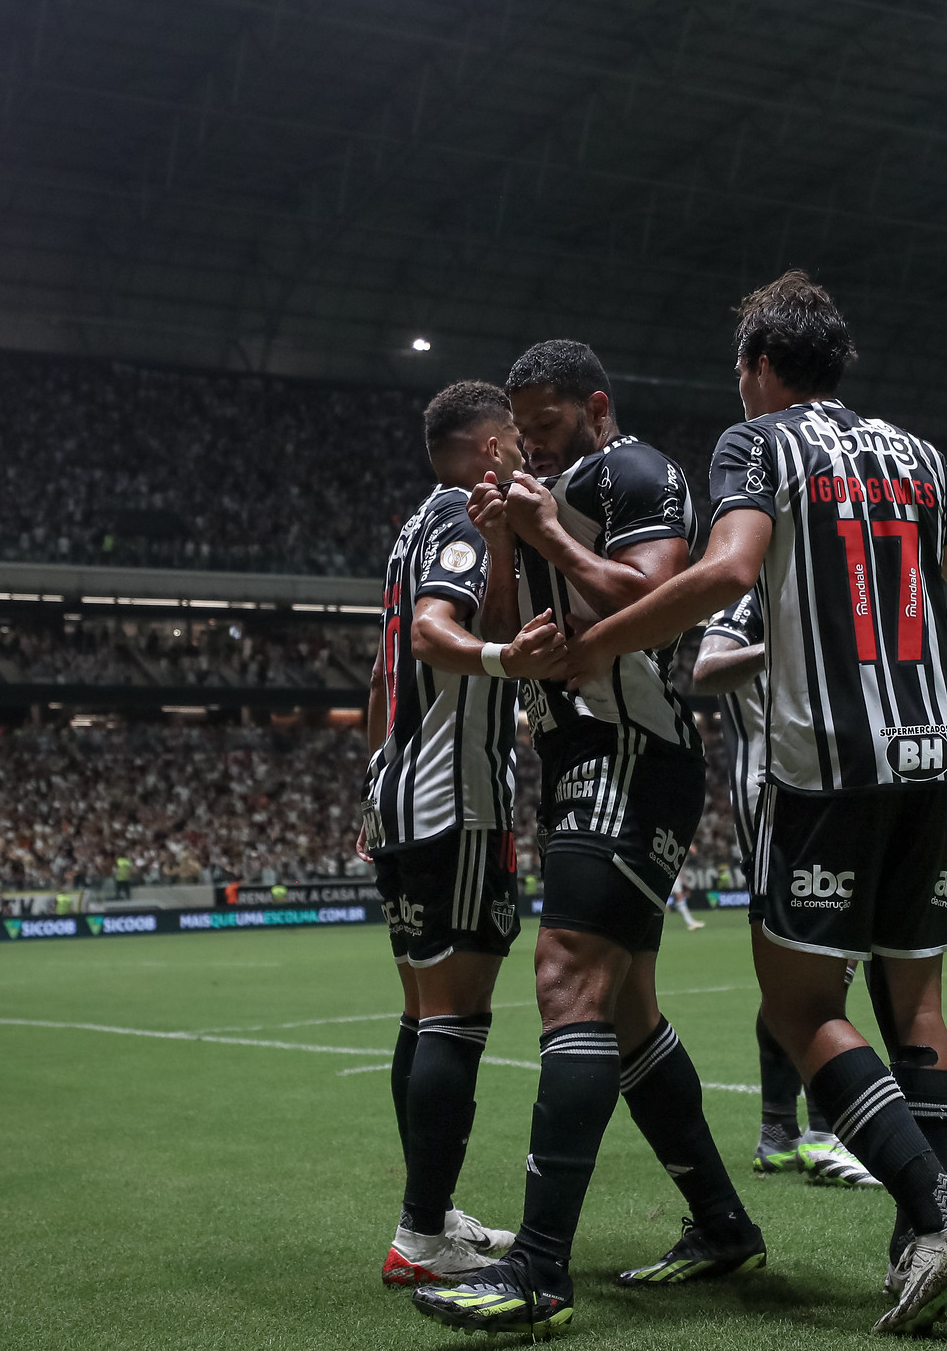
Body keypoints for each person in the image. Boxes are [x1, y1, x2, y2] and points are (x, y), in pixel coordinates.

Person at [551, 272, 947, 1334]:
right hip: (927, 760)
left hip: (823, 767)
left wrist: (598, 644)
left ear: (758, 368)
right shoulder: (918, 454)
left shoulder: (755, 444)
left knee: (798, 1008)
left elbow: (725, 576)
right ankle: (915, 1247)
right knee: (919, 1006)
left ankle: (939, 1217)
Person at [411, 343, 763, 1337]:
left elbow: (652, 607)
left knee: (566, 983)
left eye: (549, 423)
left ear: (595, 408)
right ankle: (722, 1223)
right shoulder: (545, 492)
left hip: (629, 751)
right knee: (627, 1013)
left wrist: (549, 536)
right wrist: (506, 542)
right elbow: (513, 634)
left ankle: (537, 1268)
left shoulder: (634, 470)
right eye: (521, 428)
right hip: (576, 760)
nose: (530, 442)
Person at [364, 380, 570, 1286]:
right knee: (456, 1014)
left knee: (421, 1013)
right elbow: (432, 632)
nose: (525, 452)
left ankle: (430, 1209)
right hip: (455, 798)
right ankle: (419, 1234)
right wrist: (502, 657)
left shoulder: (416, 525)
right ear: (490, 448)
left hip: (404, 794)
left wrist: (373, 787)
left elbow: (383, 679)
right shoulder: (455, 513)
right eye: (515, 442)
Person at [696, 593, 877, 1190]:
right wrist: (789, 647)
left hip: (827, 799)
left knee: (801, 977)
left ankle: (779, 1131)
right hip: (781, 803)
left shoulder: (822, 591)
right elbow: (708, 668)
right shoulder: (755, 599)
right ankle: (826, 1136)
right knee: (820, 974)